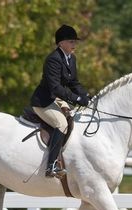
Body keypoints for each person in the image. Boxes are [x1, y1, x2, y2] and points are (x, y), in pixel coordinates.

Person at [31, 24, 90, 178]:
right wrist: (76, 98)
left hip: (56, 100)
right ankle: (51, 166)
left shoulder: (71, 58)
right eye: (71, 41)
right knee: (61, 124)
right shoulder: (53, 60)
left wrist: (86, 96)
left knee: (74, 119)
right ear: (61, 43)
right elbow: (55, 87)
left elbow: (74, 83)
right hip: (43, 101)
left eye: (74, 42)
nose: (74, 45)